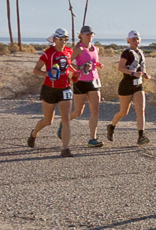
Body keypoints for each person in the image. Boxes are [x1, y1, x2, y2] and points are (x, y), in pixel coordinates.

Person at [27, 28, 78, 157]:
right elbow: (36, 70)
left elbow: (67, 65)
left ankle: (65, 149)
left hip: (65, 88)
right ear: (55, 39)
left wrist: (75, 72)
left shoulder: (68, 52)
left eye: (66, 39)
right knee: (48, 121)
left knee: (65, 119)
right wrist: (46, 74)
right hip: (49, 89)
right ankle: (34, 134)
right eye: (61, 39)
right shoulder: (48, 54)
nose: (63, 42)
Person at [106, 31, 151, 144]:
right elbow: (120, 67)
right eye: (133, 39)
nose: (136, 42)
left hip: (138, 85)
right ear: (129, 41)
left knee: (140, 111)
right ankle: (111, 126)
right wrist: (132, 73)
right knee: (123, 112)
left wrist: (145, 74)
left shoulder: (141, 52)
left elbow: (141, 68)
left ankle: (141, 136)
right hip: (126, 85)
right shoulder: (126, 53)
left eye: (137, 39)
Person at [72, 26, 105, 147]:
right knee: (77, 112)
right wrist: (81, 68)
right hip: (80, 82)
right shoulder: (78, 48)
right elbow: (67, 63)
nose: (89, 36)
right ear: (81, 35)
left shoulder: (95, 48)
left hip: (94, 81)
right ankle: (63, 123)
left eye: (91, 34)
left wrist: (97, 64)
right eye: (87, 34)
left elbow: (92, 61)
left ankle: (92, 138)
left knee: (95, 110)